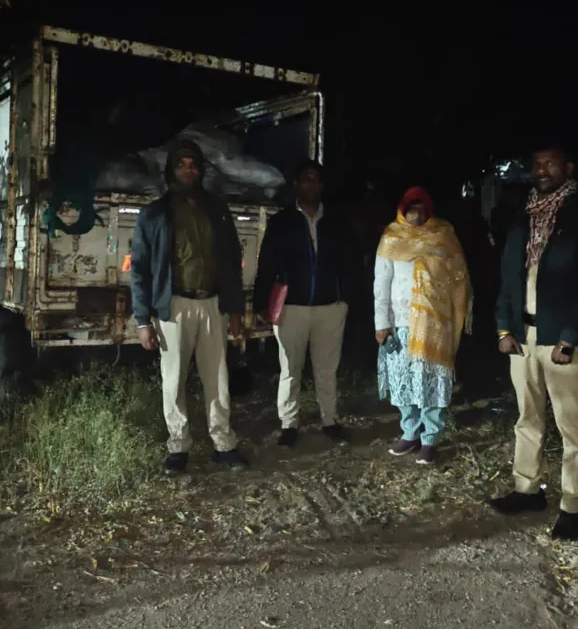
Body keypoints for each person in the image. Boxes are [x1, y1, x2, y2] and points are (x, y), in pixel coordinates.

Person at [490, 146, 578, 540]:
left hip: (561, 338)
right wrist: (504, 328)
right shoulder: (523, 216)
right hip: (523, 337)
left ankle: (574, 505)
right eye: (537, 164)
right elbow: (507, 277)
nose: (542, 170)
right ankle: (527, 490)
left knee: (574, 426)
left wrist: (571, 337)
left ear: (568, 168)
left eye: (550, 163)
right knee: (527, 418)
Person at [130, 138, 248, 474]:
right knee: (174, 380)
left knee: (218, 379)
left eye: (193, 164)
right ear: (171, 170)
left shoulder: (217, 209)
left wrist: (235, 309)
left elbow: (232, 260)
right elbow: (140, 268)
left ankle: (223, 444)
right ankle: (178, 447)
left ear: (201, 170)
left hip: (213, 304)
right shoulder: (155, 213)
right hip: (174, 306)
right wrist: (143, 321)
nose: (188, 170)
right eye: (181, 165)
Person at [254, 159, 356, 447]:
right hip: (292, 307)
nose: (311, 184)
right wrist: (262, 302)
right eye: (306, 179)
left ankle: (330, 421)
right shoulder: (282, 221)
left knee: (327, 369)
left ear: (322, 185)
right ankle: (289, 424)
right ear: (296, 184)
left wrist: (347, 298)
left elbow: (350, 262)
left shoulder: (336, 221)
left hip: (330, 307)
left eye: (316, 179)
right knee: (290, 369)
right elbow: (267, 264)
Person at [374, 187, 473, 464]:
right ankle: (410, 432)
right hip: (400, 323)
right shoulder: (392, 237)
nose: (416, 214)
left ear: (429, 210)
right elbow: (381, 282)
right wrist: (382, 323)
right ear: (402, 209)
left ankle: (430, 438)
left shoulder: (443, 235)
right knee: (404, 381)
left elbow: (459, 277)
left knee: (431, 380)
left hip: (435, 324)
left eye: (421, 208)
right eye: (411, 208)